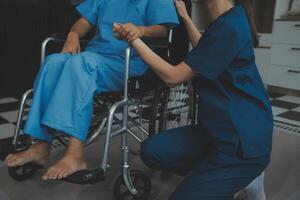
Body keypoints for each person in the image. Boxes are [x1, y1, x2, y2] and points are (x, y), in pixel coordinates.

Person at [113, 0, 273, 199]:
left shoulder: (230, 25)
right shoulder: (226, 20)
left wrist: (135, 40)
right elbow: (204, 50)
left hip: (243, 144)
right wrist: (186, 17)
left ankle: (238, 176)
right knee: (152, 150)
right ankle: (214, 176)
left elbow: (173, 77)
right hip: (217, 131)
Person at [4, 0, 179, 180]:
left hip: (127, 62)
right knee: (53, 62)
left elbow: (163, 30)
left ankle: (75, 153)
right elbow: (83, 22)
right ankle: (41, 144)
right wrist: (73, 34)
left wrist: (140, 30)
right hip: (95, 58)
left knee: (80, 63)